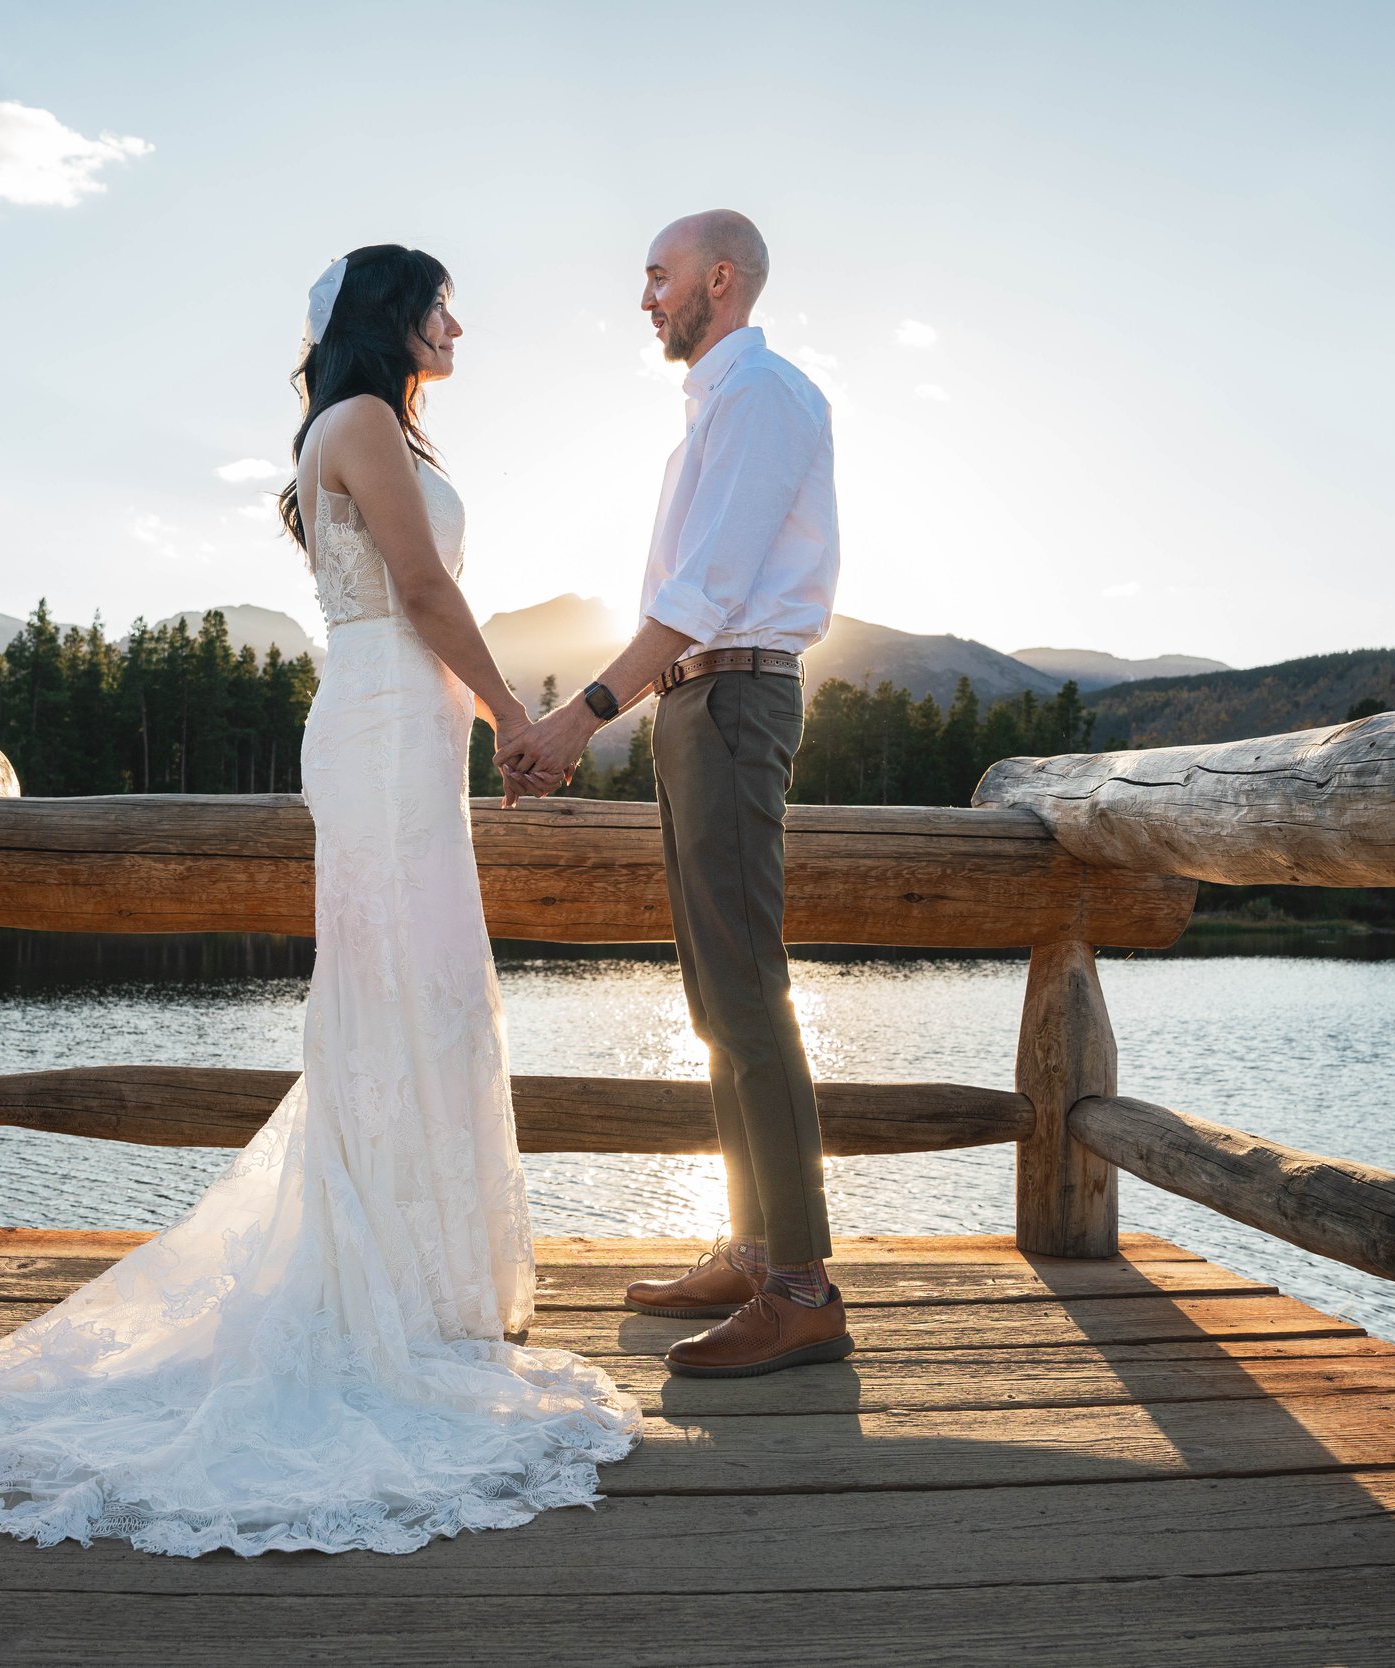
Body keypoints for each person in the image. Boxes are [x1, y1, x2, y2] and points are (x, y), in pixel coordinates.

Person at [0, 244, 640, 1556]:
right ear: (386, 316)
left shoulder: (378, 431)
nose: (456, 322)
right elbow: (416, 592)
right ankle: (386, 1304)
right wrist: (518, 715)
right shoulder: (354, 424)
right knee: (395, 997)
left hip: (412, 727)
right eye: (437, 301)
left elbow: (424, 599)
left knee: (429, 996)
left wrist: (490, 729)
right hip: (379, 721)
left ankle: (424, 1289)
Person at [494, 210, 848, 1379]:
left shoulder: (763, 397)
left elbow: (708, 590)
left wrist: (577, 717)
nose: (645, 296)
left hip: (736, 702)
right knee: (713, 998)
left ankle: (799, 1289)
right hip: (695, 705)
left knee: (748, 993)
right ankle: (753, 1250)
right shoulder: (713, 409)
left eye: (659, 275)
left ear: (720, 278)